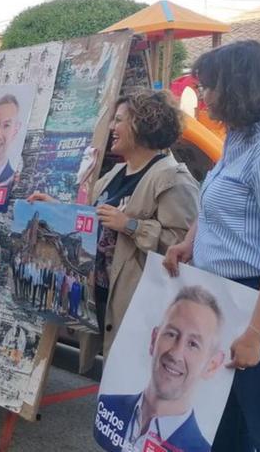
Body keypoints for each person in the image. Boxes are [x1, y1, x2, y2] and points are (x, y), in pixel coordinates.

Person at [163, 40, 260, 452]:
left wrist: (256, 334)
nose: (203, 97)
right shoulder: (238, 140)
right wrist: (188, 243)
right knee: (225, 432)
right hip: (226, 302)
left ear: (241, 87)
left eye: (210, 87)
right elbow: (216, 204)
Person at [29, 89, 198, 353]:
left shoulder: (172, 178)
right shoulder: (117, 172)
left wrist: (131, 226)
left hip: (141, 307)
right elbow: (93, 219)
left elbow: (183, 245)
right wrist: (55, 209)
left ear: (142, 124)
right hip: (106, 298)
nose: (112, 127)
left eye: (118, 120)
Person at [95, 286, 225, 452]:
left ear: (212, 366)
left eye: (193, 344)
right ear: (153, 339)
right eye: (171, 334)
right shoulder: (107, 406)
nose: (176, 354)